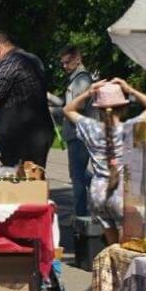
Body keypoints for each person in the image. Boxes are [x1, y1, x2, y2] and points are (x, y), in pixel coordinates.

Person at [62, 78, 146, 244]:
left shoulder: (91, 127)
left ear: (99, 109)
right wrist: (130, 89)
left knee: (111, 247)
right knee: (125, 247)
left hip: (98, 192)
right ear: (124, 107)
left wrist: (89, 92)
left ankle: (110, 269)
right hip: (121, 192)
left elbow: (68, 109)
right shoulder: (131, 127)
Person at [0, 31, 55, 172]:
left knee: (17, 184)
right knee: (35, 181)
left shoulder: (11, 61)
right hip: (36, 134)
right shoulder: (33, 59)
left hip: (20, 140)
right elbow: (18, 96)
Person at [54, 46, 95, 235]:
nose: (64, 66)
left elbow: (73, 108)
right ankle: (101, 184)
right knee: (78, 173)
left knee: (77, 178)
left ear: (78, 59)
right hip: (75, 134)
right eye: (62, 63)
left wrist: (52, 111)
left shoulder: (82, 80)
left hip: (79, 134)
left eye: (67, 62)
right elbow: (66, 104)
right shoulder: (76, 80)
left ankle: (80, 215)